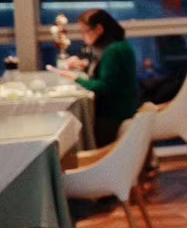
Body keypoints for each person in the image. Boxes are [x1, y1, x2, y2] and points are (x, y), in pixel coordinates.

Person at [58, 9, 140, 146]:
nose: (83, 36)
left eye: (85, 31)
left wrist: (76, 79)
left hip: (113, 116)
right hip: (126, 110)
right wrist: (85, 67)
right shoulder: (120, 45)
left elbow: (105, 86)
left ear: (99, 29)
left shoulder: (112, 51)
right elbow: (111, 75)